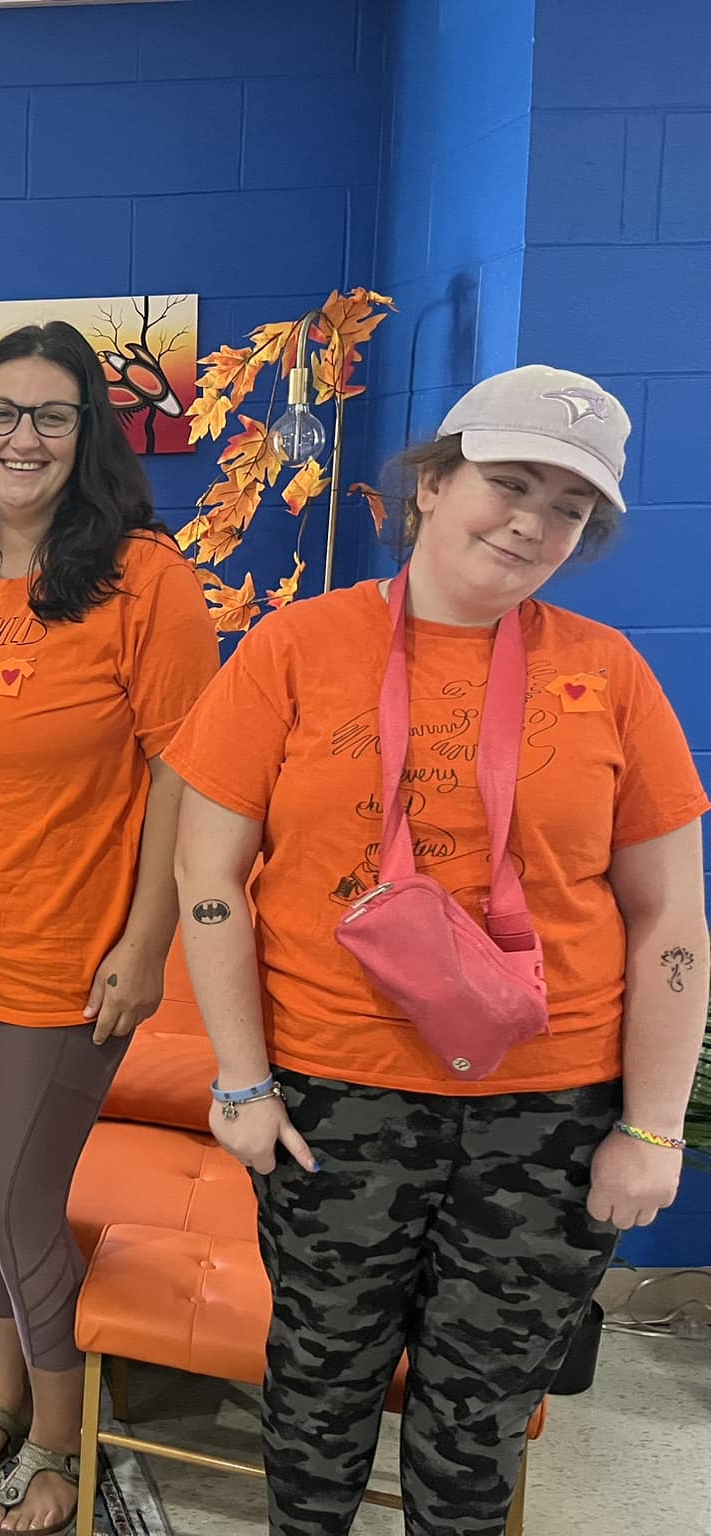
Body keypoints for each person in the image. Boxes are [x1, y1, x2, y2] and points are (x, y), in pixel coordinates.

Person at [166, 364, 709, 1536]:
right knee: (316, 1397)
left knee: (476, 1421)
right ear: (428, 484)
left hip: (548, 1106)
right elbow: (205, 876)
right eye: (505, 484)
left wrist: (649, 1126)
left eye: (566, 508)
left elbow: (670, 918)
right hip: (334, 1097)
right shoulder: (293, 650)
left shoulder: (606, 673)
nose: (529, 522)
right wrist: (241, 1079)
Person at [0, 323, 218, 1534]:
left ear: (88, 434)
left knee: (20, 1201)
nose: (21, 437)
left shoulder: (145, 580)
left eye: (50, 414)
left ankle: (60, 1451)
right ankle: (2, 1400)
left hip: (62, 961)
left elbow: (189, 775)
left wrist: (143, 941)